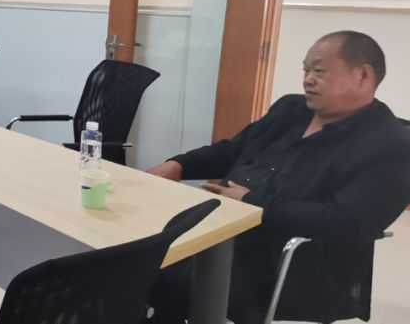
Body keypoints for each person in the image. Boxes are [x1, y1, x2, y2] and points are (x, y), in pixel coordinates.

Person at [146, 31, 410, 324]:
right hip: (222, 229)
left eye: (319, 71)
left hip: (285, 261)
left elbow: (346, 222)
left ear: (363, 75)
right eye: (305, 70)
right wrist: (180, 165)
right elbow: (234, 150)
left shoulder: (392, 145)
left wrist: (252, 202)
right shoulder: (291, 109)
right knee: (135, 250)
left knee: (150, 271)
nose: (308, 80)